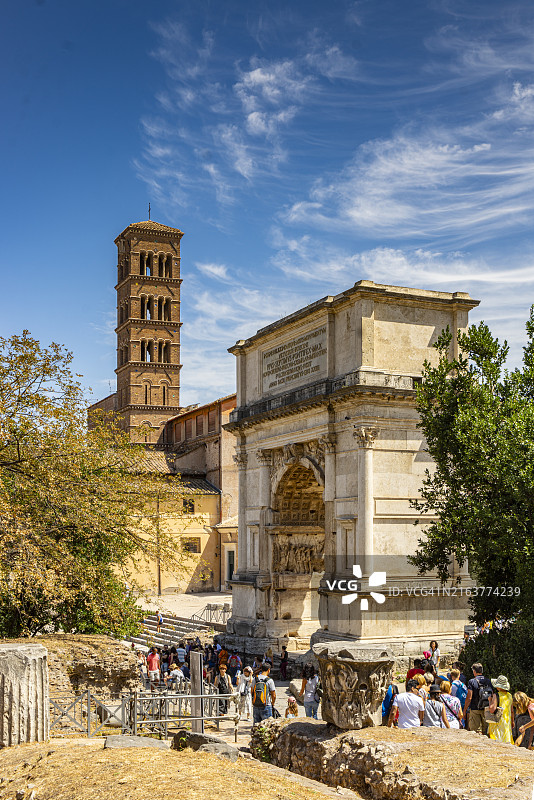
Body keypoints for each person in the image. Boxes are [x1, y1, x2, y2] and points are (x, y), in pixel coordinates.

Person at [463, 662, 494, 734]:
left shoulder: (472, 681)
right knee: (485, 731)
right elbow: (491, 695)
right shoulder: (488, 681)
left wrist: (465, 710)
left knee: (475, 732)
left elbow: (469, 697)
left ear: (474, 671)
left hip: (475, 709)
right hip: (486, 709)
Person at [487, 675, 513, 743]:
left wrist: (490, 700)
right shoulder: (509, 695)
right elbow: (512, 711)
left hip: (497, 722)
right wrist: (512, 722)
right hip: (507, 723)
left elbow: (492, 709)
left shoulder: (496, 695)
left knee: (497, 741)